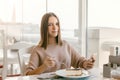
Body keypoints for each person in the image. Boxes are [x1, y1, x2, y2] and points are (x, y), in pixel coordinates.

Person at [26, 12, 95, 75]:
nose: (55, 27)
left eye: (56, 24)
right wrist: (44, 66)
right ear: (44, 28)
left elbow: (79, 61)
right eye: (50, 25)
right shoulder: (37, 50)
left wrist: (87, 63)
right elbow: (28, 75)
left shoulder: (65, 45)